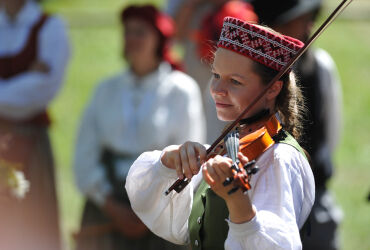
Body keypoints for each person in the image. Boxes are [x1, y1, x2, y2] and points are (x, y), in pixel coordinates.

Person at [126, 17, 315, 249]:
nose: (217, 90)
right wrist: (170, 161)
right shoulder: (230, 145)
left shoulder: (280, 159)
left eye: (234, 81)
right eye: (215, 75)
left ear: (273, 88)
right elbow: (174, 223)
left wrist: (238, 201)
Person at [73, 4, 204, 250]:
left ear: (159, 39)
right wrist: (111, 206)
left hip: (162, 202)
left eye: (140, 32)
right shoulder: (106, 89)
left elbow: (190, 158)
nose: (131, 38)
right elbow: (85, 156)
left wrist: (149, 212)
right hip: (108, 201)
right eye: (127, 31)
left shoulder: (181, 91)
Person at [249, 0, 343, 249]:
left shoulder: (320, 65)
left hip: (314, 194)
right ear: (276, 26)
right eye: (299, 17)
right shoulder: (250, 74)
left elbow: (332, 131)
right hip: (258, 198)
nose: (309, 23)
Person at [0, 0, 70, 249]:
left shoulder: (49, 26)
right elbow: (30, 87)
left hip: (30, 140)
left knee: (34, 224)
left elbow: (43, 89)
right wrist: (25, 76)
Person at [165, 0, 258, 143]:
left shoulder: (239, 10)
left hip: (231, 72)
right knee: (196, 117)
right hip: (197, 67)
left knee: (224, 120)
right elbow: (175, 35)